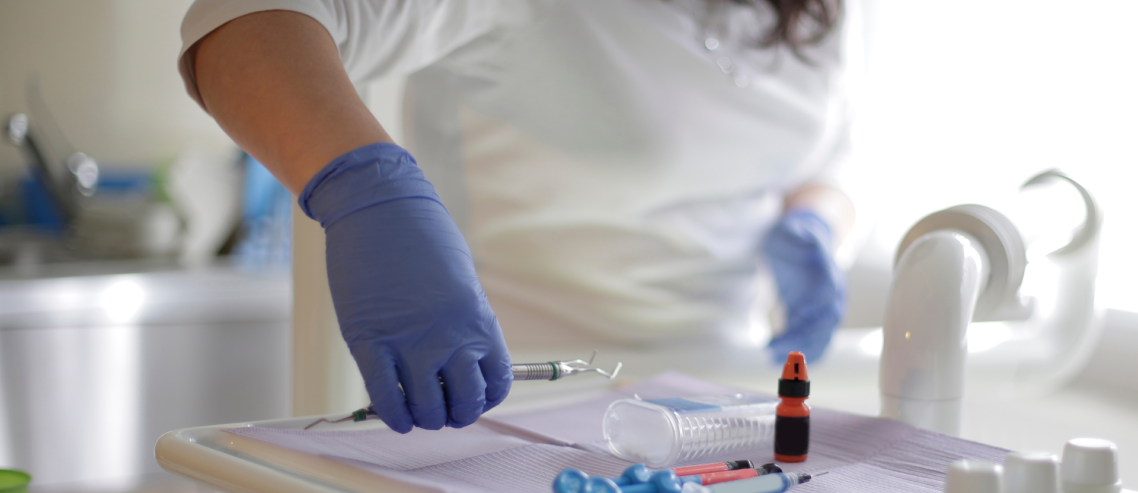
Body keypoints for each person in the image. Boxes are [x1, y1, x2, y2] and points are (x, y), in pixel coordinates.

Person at [178, 0, 856, 433]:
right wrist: (366, 189)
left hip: (729, 411)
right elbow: (241, 24)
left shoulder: (811, 14)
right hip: (505, 408)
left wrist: (816, 222)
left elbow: (822, 164)